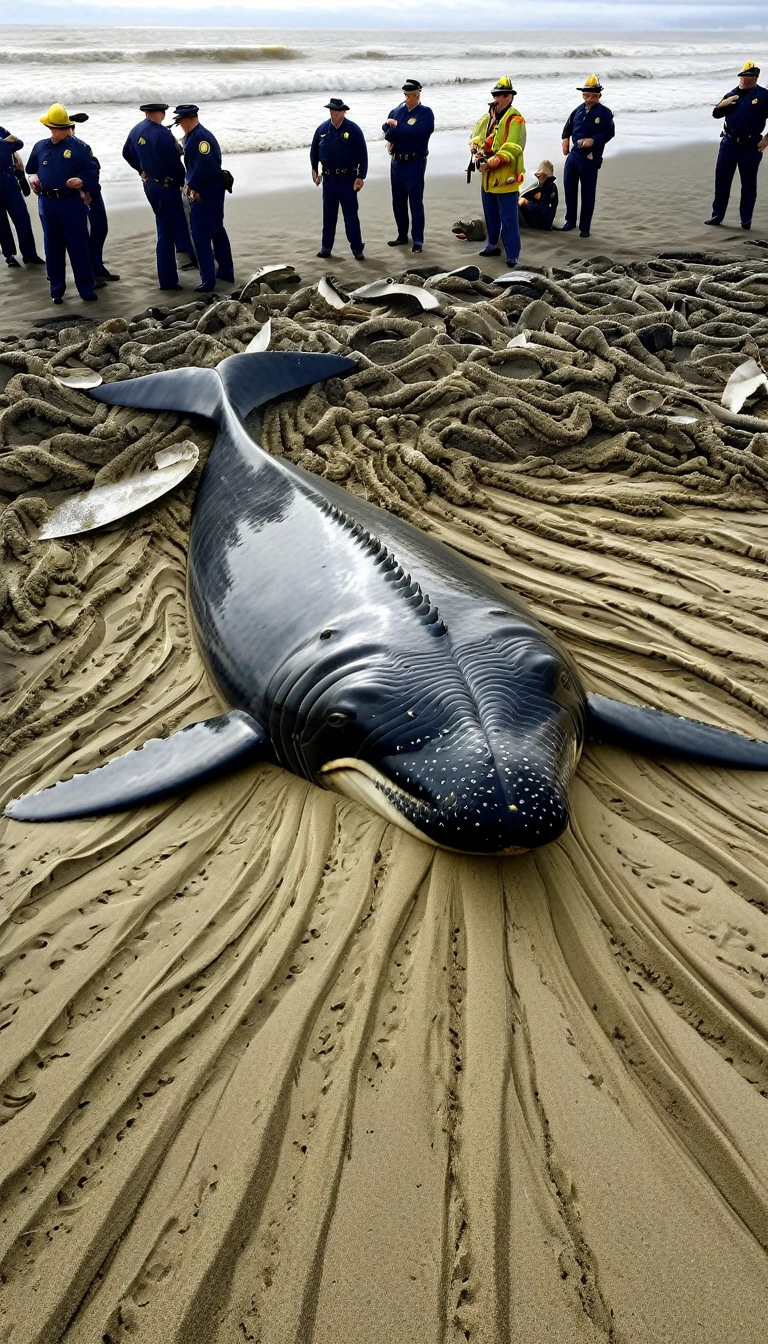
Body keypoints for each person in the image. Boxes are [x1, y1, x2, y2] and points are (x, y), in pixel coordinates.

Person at [25, 103, 99, 304]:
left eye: (58, 128)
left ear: (66, 128)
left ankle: (86, 287)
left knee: (78, 246)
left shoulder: (80, 148)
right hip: (48, 204)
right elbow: (31, 169)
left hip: (71, 203)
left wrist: (81, 181)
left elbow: (93, 172)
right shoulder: (40, 146)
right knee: (53, 247)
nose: (54, 131)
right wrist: (33, 179)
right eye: (52, 128)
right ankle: (56, 289)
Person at [123, 102, 195, 291]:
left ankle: (186, 252)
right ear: (161, 114)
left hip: (150, 185)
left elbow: (126, 153)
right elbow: (175, 164)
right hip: (166, 186)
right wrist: (184, 183)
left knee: (173, 220)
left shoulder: (135, 130)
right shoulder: (162, 134)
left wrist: (141, 169)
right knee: (165, 231)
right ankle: (168, 280)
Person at [172, 103, 234, 294]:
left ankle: (208, 281)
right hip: (211, 191)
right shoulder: (194, 136)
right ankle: (225, 271)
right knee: (217, 230)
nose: (179, 124)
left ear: (189, 118)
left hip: (206, 192)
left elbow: (204, 167)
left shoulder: (201, 139)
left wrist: (192, 187)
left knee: (201, 235)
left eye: (180, 120)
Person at [468, 75, 526, 266]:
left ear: (510, 97)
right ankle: (492, 244)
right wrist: (475, 149)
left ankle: (512, 253)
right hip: (487, 178)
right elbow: (476, 136)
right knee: (490, 214)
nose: (498, 97)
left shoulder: (516, 120)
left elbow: (513, 147)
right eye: (496, 94)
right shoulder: (488, 118)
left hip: (506, 178)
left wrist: (491, 162)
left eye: (502, 94)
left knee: (509, 219)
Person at [706, 60, 768, 230]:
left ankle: (746, 221)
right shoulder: (731, 94)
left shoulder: (764, 95)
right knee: (722, 181)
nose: (744, 80)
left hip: (751, 145)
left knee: (748, 184)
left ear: (756, 77)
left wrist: (766, 140)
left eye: (749, 77)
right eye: (742, 77)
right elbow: (716, 114)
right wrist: (727, 103)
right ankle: (717, 216)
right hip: (729, 143)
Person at [310, 98, 367, 260]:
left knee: (350, 215)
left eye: (336, 111)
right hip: (328, 180)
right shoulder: (322, 129)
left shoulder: (354, 130)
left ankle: (357, 248)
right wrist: (315, 171)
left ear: (343, 112)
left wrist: (361, 176)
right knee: (328, 215)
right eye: (331, 111)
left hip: (348, 179)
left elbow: (362, 155)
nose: (333, 114)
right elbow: (314, 153)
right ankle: (326, 247)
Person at [383, 78, 434, 253]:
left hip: (414, 162)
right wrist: (395, 129)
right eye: (405, 95)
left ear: (417, 95)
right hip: (397, 162)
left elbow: (420, 132)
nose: (406, 98)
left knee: (415, 202)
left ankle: (418, 240)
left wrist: (398, 127)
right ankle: (402, 235)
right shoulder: (398, 110)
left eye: (410, 95)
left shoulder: (425, 113)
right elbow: (386, 129)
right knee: (398, 201)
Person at [561, 74, 615, 238]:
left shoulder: (605, 113)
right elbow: (568, 127)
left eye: (593, 95)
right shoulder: (577, 110)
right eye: (586, 95)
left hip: (590, 157)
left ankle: (585, 227)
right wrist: (565, 140)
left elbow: (609, 132)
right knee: (569, 187)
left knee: (588, 192)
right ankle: (570, 220)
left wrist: (593, 140)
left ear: (599, 95)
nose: (589, 98)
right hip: (574, 154)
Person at [68, 113, 119, 283]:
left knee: (98, 229)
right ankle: (92, 270)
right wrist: (85, 192)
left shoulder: (76, 146)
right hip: (82, 194)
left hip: (89, 191)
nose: (72, 130)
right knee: (90, 231)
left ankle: (95, 266)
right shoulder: (74, 147)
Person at [0, 126, 44, 269]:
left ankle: (29, 254)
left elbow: (18, 144)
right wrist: (6, 143)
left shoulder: (1, 129)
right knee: (1, 223)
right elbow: (9, 147)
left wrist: (21, 178)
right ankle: (9, 256)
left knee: (22, 218)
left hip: (9, 179)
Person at [518, 160, 559, 230]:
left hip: (539, 222)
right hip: (546, 222)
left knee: (518, 204)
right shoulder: (551, 186)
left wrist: (526, 202)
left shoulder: (547, 188)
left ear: (543, 174)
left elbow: (542, 208)